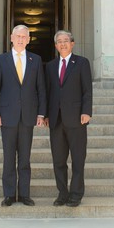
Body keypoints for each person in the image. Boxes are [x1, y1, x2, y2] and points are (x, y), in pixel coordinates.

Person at [0, 24, 46, 207]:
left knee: (25, 158)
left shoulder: (35, 60)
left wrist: (41, 113)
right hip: (7, 115)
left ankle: (24, 194)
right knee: (8, 157)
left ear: (28, 40)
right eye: (18, 36)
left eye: (24, 37)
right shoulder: (1, 60)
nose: (21, 39)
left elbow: (41, 89)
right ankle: (8, 194)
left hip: (28, 116)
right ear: (11, 38)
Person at [44, 30, 92, 207]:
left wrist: (86, 111)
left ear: (72, 43)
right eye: (59, 41)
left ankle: (76, 194)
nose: (63, 44)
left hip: (77, 119)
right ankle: (62, 193)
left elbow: (87, 90)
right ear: (55, 45)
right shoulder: (49, 66)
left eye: (66, 41)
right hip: (56, 121)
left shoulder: (81, 63)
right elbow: (47, 92)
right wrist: (46, 114)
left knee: (78, 159)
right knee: (58, 160)